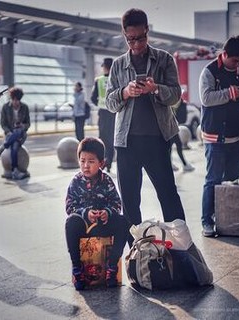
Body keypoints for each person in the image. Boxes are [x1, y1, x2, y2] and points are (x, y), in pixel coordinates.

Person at [105, 8, 186, 245]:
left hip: (157, 139)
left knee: (168, 195)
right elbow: (110, 102)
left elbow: (176, 95)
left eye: (140, 38)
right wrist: (125, 92)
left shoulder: (163, 59)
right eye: (131, 39)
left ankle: (182, 246)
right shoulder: (119, 65)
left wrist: (156, 88)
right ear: (124, 35)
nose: (137, 44)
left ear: (147, 31)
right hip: (127, 142)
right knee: (130, 201)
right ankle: (137, 253)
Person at [199, 35, 239, 237]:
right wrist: (228, 93)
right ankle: (207, 221)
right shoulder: (209, 72)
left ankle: (225, 217)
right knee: (213, 179)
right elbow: (205, 99)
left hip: (237, 135)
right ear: (224, 54)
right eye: (234, 60)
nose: (237, 64)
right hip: (215, 137)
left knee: (232, 177)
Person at [65, 137, 129, 290]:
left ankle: (112, 267)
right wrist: (85, 213)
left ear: (101, 163)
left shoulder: (106, 180)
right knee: (71, 222)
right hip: (83, 227)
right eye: (82, 161)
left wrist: (108, 212)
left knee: (122, 222)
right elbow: (69, 206)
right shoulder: (76, 181)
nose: (86, 166)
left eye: (91, 161)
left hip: (102, 225)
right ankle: (77, 269)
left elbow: (116, 203)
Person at [0, 87, 31, 180]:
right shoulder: (5, 107)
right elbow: (3, 124)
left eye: (17, 100)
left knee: (18, 131)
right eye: (13, 99)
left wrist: (22, 125)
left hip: (21, 135)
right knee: (14, 146)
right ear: (11, 98)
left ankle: (3, 147)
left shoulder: (25, 107)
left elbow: (28, 124)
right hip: (9, 134)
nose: (15, 102)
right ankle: (15, 171)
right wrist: (9, 132)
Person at [91, 58, 116, 173]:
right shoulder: (116, 79)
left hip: (103, 112)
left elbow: (92, 98)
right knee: (111, 138)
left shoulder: (99, 80)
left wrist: (101, 103)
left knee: (102, 138)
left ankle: (103, 162)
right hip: (113, 113)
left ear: (105, 67)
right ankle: (109, 162)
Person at [171, 99, 195, 172]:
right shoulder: (172, 103)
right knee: (176, 145)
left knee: (174, 146)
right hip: (171, 127)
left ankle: (181, 164)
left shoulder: (176, 104)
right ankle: (184, 164)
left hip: (172, 127)